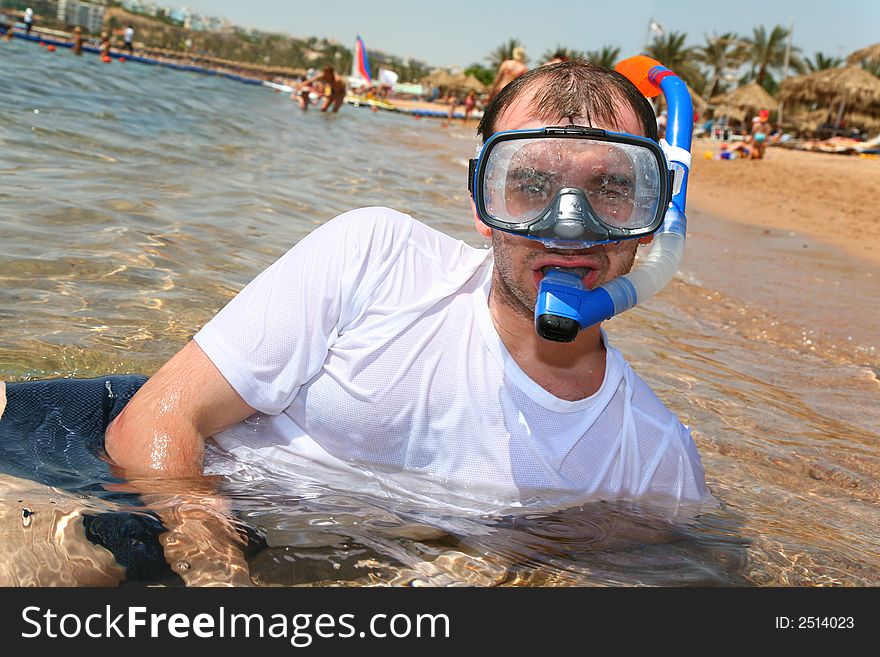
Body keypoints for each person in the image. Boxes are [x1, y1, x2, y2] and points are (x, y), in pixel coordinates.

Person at [1, 61, 708, 584]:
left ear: (655, 216)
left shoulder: (651, 463)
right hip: (115, 461)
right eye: (529, 183)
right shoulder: (378, 257)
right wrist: (220, 579)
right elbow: (152, 424)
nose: (566, 228)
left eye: (612, 188)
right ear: (478, 199)